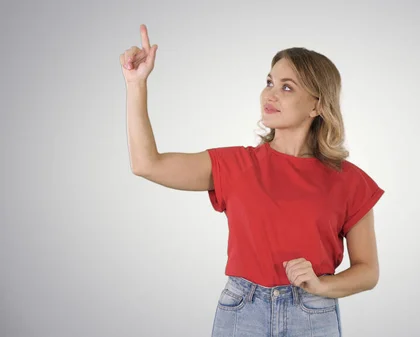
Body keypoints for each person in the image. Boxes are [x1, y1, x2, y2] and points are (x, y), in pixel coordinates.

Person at [120, 24, 385, 337]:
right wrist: (136, 85)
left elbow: (367, 271)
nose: (270, 94)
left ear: (316, 104)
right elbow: (146, 165)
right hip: (242, 311)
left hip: (312, 314)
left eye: (287, 87)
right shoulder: (235, 165)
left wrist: (321, 284)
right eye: (269, 82)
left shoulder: (350, 182)